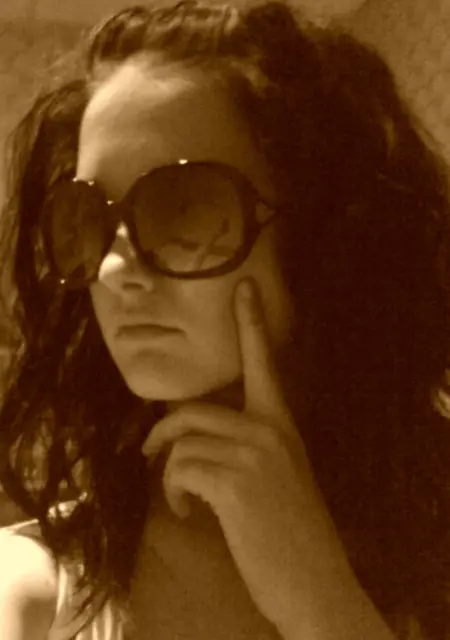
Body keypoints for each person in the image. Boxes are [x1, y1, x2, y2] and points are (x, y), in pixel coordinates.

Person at [0, 0, 449, 638]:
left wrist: (322, 601)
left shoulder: (430, 548)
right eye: (87, 217)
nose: (113, 269)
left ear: (324, 235)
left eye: (183, 208)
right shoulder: (32, 588)